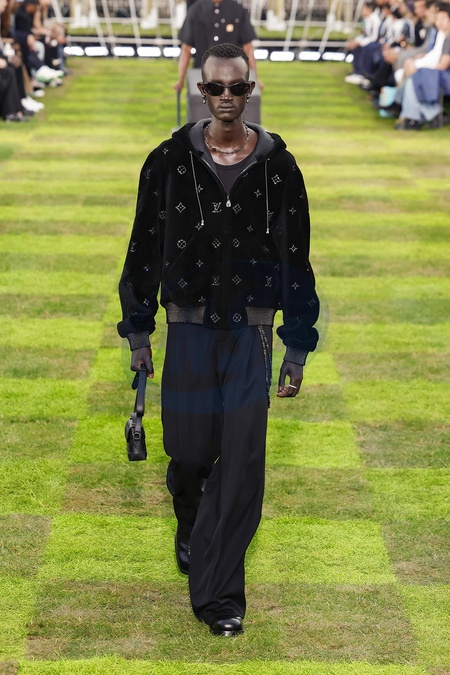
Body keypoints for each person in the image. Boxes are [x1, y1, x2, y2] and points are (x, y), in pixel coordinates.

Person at [118, 42, 319, 637]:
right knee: (189, 455)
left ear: (249, 90)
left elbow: (296, 258)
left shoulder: (280, 168)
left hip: (251, 333)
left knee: (243, 463)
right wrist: (138, 331)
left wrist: (297, 344)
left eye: (236, 87)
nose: (226, 97)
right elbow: (142, 249)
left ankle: (221, 597)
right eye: (215, 88)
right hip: (188, 328)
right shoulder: (166, 161)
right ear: (201, 92)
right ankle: (191, 522)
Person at [173, 0, 263, 92]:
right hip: (204, 75)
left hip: (231, 76)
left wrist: (255, 79)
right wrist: (180, 80)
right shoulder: (195, 10)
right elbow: (186, 48)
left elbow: (248, 47)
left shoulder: (238, 10)